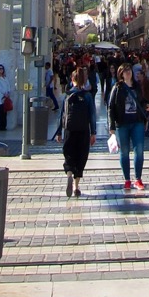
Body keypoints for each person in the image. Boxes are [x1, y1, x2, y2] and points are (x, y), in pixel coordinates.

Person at [107, 63, 149, 192]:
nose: (127, 73)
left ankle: (138, 179)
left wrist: (148, 106)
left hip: (137, 122)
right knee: (124, 152)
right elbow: (111, 107)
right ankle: (127, 180)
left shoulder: (137, 87)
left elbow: (142, 101)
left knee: (139, 151)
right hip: (122, 124)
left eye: (129, 70)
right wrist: (111, 126)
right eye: (124, 71)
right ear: (121, 74)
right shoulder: (117, 88)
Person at [57, 66, 97, 198]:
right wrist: (93, 132)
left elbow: (62, 115)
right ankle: (76, 186)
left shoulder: (67, 95)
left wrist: (58, 132)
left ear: (72, 79)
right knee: (81, 156)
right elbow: (92, 115)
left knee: (69, 154)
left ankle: (69, 173)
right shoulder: (87, 96)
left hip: (69, 130)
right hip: (83, 130)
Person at [0, 64, 12, 132]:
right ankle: (0, 127)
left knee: (5, 112)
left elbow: (8, 85)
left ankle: (4, 126)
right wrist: (4, 93)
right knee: (1, 112)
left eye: (2, 68)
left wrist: (8, 92)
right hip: (0, 98)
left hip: (6, 97)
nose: (1, 70)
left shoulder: (5, 77)